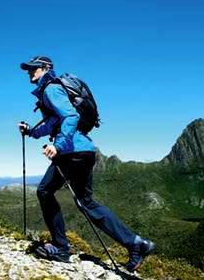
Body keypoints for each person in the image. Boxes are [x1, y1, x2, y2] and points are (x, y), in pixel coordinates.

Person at [18, 55, 155, 272]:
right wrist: (32, 132)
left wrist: (59, 145)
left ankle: (61, 247)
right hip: (84, 151)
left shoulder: (51, 89)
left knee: (44, 191)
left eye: (33, 68)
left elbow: (70, 117)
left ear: (46, 68)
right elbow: (53, 122)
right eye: (28, 69)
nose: (29, 72)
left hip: (71, 152)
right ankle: (136, 243)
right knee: (86, 203)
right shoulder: (52, 90)